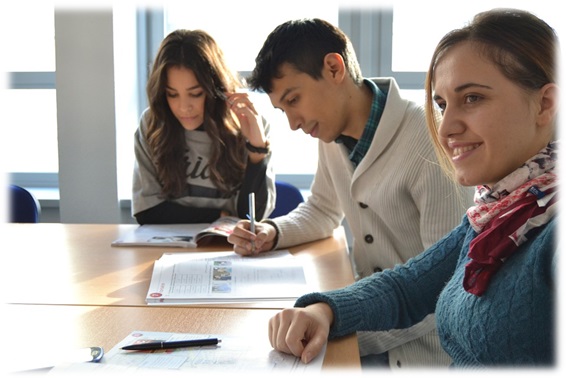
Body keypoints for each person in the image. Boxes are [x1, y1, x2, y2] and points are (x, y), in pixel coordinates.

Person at [267, 8, 558, 367]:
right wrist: (325, 309)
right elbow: (408, 287)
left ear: (545, 104)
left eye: (473, 98)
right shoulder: (499, 211)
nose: (446, 126)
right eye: (441, 104)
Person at [227, 18, 473, 368]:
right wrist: (273, 232)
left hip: (418, 351)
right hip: (365, 316)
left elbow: (443, 289)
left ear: (333, 67)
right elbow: (323, 210)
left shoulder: (427, 139)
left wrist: (344, 330)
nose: (293, 123)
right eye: (283, 110)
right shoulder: (331, 133)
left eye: (294, 100)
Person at [132, 29, 276, 224]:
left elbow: (251, 218)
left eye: (196, 93)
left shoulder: (248, 125)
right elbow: (147, 212)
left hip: (229, 249)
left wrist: (257, 150)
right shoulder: (153, 124)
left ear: (215, 90)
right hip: (166, 248)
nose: (184, 107)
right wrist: (219, 216)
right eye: (172, 94)